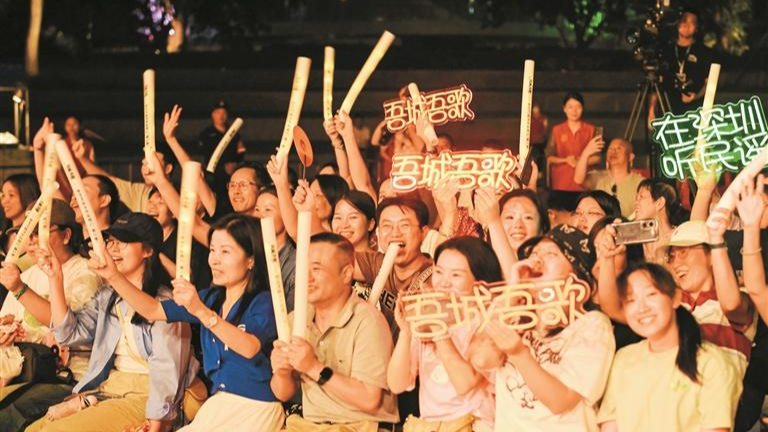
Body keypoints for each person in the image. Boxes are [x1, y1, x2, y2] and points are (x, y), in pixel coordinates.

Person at [87, 213, 284, 432]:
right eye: (212, 250)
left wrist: (201, 312)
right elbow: (152, 309)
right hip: (218, 404)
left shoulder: (262, 302)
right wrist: (113, 276)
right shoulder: (211, 298)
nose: (214, 260)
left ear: (251, 260)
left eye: (225, 252)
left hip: (255, 407)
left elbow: (249, 347)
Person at [21, 212, 197, 432]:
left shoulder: (165, 303)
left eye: (122, 242)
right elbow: (68, 334)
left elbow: (167, 370)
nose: (113, 249)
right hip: (109, 390)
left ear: (148, 251)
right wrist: (55, 278)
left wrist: (158, 422)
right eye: (110, 241)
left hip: (145, 396)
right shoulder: (109, 296)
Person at [469, 225, 615, 432]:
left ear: (576, 274)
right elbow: (481, 358)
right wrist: (513, 293)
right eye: (535, 253)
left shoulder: (593, 325)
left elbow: (560, 401)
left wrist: (519, 354)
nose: (537, 260)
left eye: (551, 254)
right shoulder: (512, 307)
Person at [270, 232, 399, 431]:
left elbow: (369, 399)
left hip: (361, 426)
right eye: (303, 268)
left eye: (316, 269)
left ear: (346, 274)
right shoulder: (297, 319)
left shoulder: (368, 321)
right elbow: (282, 393)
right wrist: (282, 372)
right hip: (310, 425)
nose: (307, 278)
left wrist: (313, 367)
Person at [597, 262, 741, 432]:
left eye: (651, 294)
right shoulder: (623, 359)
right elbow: (610, 426)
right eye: (631, 300)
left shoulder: (710, 363)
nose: (642, 308)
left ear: (675, 298)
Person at [0, 200, 101, 431]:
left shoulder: (85, 273)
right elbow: (6, 319)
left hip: (69, 376)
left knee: (8, 415)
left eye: (39, 232)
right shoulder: (28, 274)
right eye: (27, 234)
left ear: (66, 235)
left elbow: (67, 328)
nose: (32, 241)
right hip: (25, 370)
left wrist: (18, 289)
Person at [388, 237, 499, 432]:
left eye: (456, 275)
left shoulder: (486, 322)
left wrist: (437, 328)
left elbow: (464, 384)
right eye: (438, 272)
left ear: (479, 281)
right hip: (430, 426)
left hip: (474, 424)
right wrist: (406, 331)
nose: (444, 283)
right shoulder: (427, 318)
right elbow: (397, 384)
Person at [354, 197, 433, 328]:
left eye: (404, 225)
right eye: (387, 226)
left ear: (423, 233)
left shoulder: (436, 277)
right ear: (378, 233)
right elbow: (331, 263)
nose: (395, 233)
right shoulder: (377, 263)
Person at [651, 8, 715, 118]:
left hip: (695, 111)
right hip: (668, 109)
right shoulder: (665, 51)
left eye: (692, 22)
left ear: (697, 28)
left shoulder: (704, 52)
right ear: (677, 24)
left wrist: (696, 96)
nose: (687, 25)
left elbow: (709, 83)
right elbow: (657, 80)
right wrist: (651, 110)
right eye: (684, 21)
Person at [573, 138, 645, 218]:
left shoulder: (640, 183)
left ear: (630, 157)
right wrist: (586, 153)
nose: (613, 152)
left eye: (619, 148)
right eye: (610, 148)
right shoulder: (598, 177)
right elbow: (578, 179)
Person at [546, 92, 602, 193]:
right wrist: (566, 160)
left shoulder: (591, 130)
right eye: (570, 107)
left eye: (578, 107)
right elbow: (549, 158)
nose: (574, 111)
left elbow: (597, 158)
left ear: (583, 108)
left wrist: (580, 161)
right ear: (564, 109)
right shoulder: (556, 130)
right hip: (561, 183)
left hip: (584, 184)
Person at [256, 186, 296, 312]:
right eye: (257, 209)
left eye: (268, 210)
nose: (260, 215)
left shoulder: (295, 263)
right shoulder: (248, 252)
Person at [634, 178, 685, 263]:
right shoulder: (636, 241)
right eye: (636, 198)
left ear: (659, 203)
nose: (636, 203)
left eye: (641, 197)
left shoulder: (679, 236)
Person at [196, 101, 246, 176]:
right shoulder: (206, 134)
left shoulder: (234, 133)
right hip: (213, 174)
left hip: (232, 172)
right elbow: (203, 155)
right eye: (218, 113)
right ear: (213, 114)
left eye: (224, 113)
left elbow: (241, 151)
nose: (221, 116)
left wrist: (235, 164)